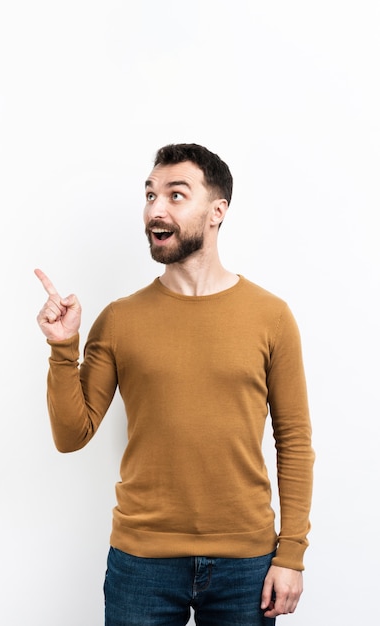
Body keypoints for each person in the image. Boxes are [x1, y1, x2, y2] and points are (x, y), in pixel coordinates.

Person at [34, 143, 314, 625]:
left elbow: (294, 440)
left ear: (216, 212)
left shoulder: (271, 316)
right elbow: (70, 436)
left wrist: (290, 554)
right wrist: (64, 348)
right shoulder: (120, 319)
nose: (155, 209)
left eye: (175, 195)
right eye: (149, 195)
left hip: (246, 562)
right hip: (142, 561)